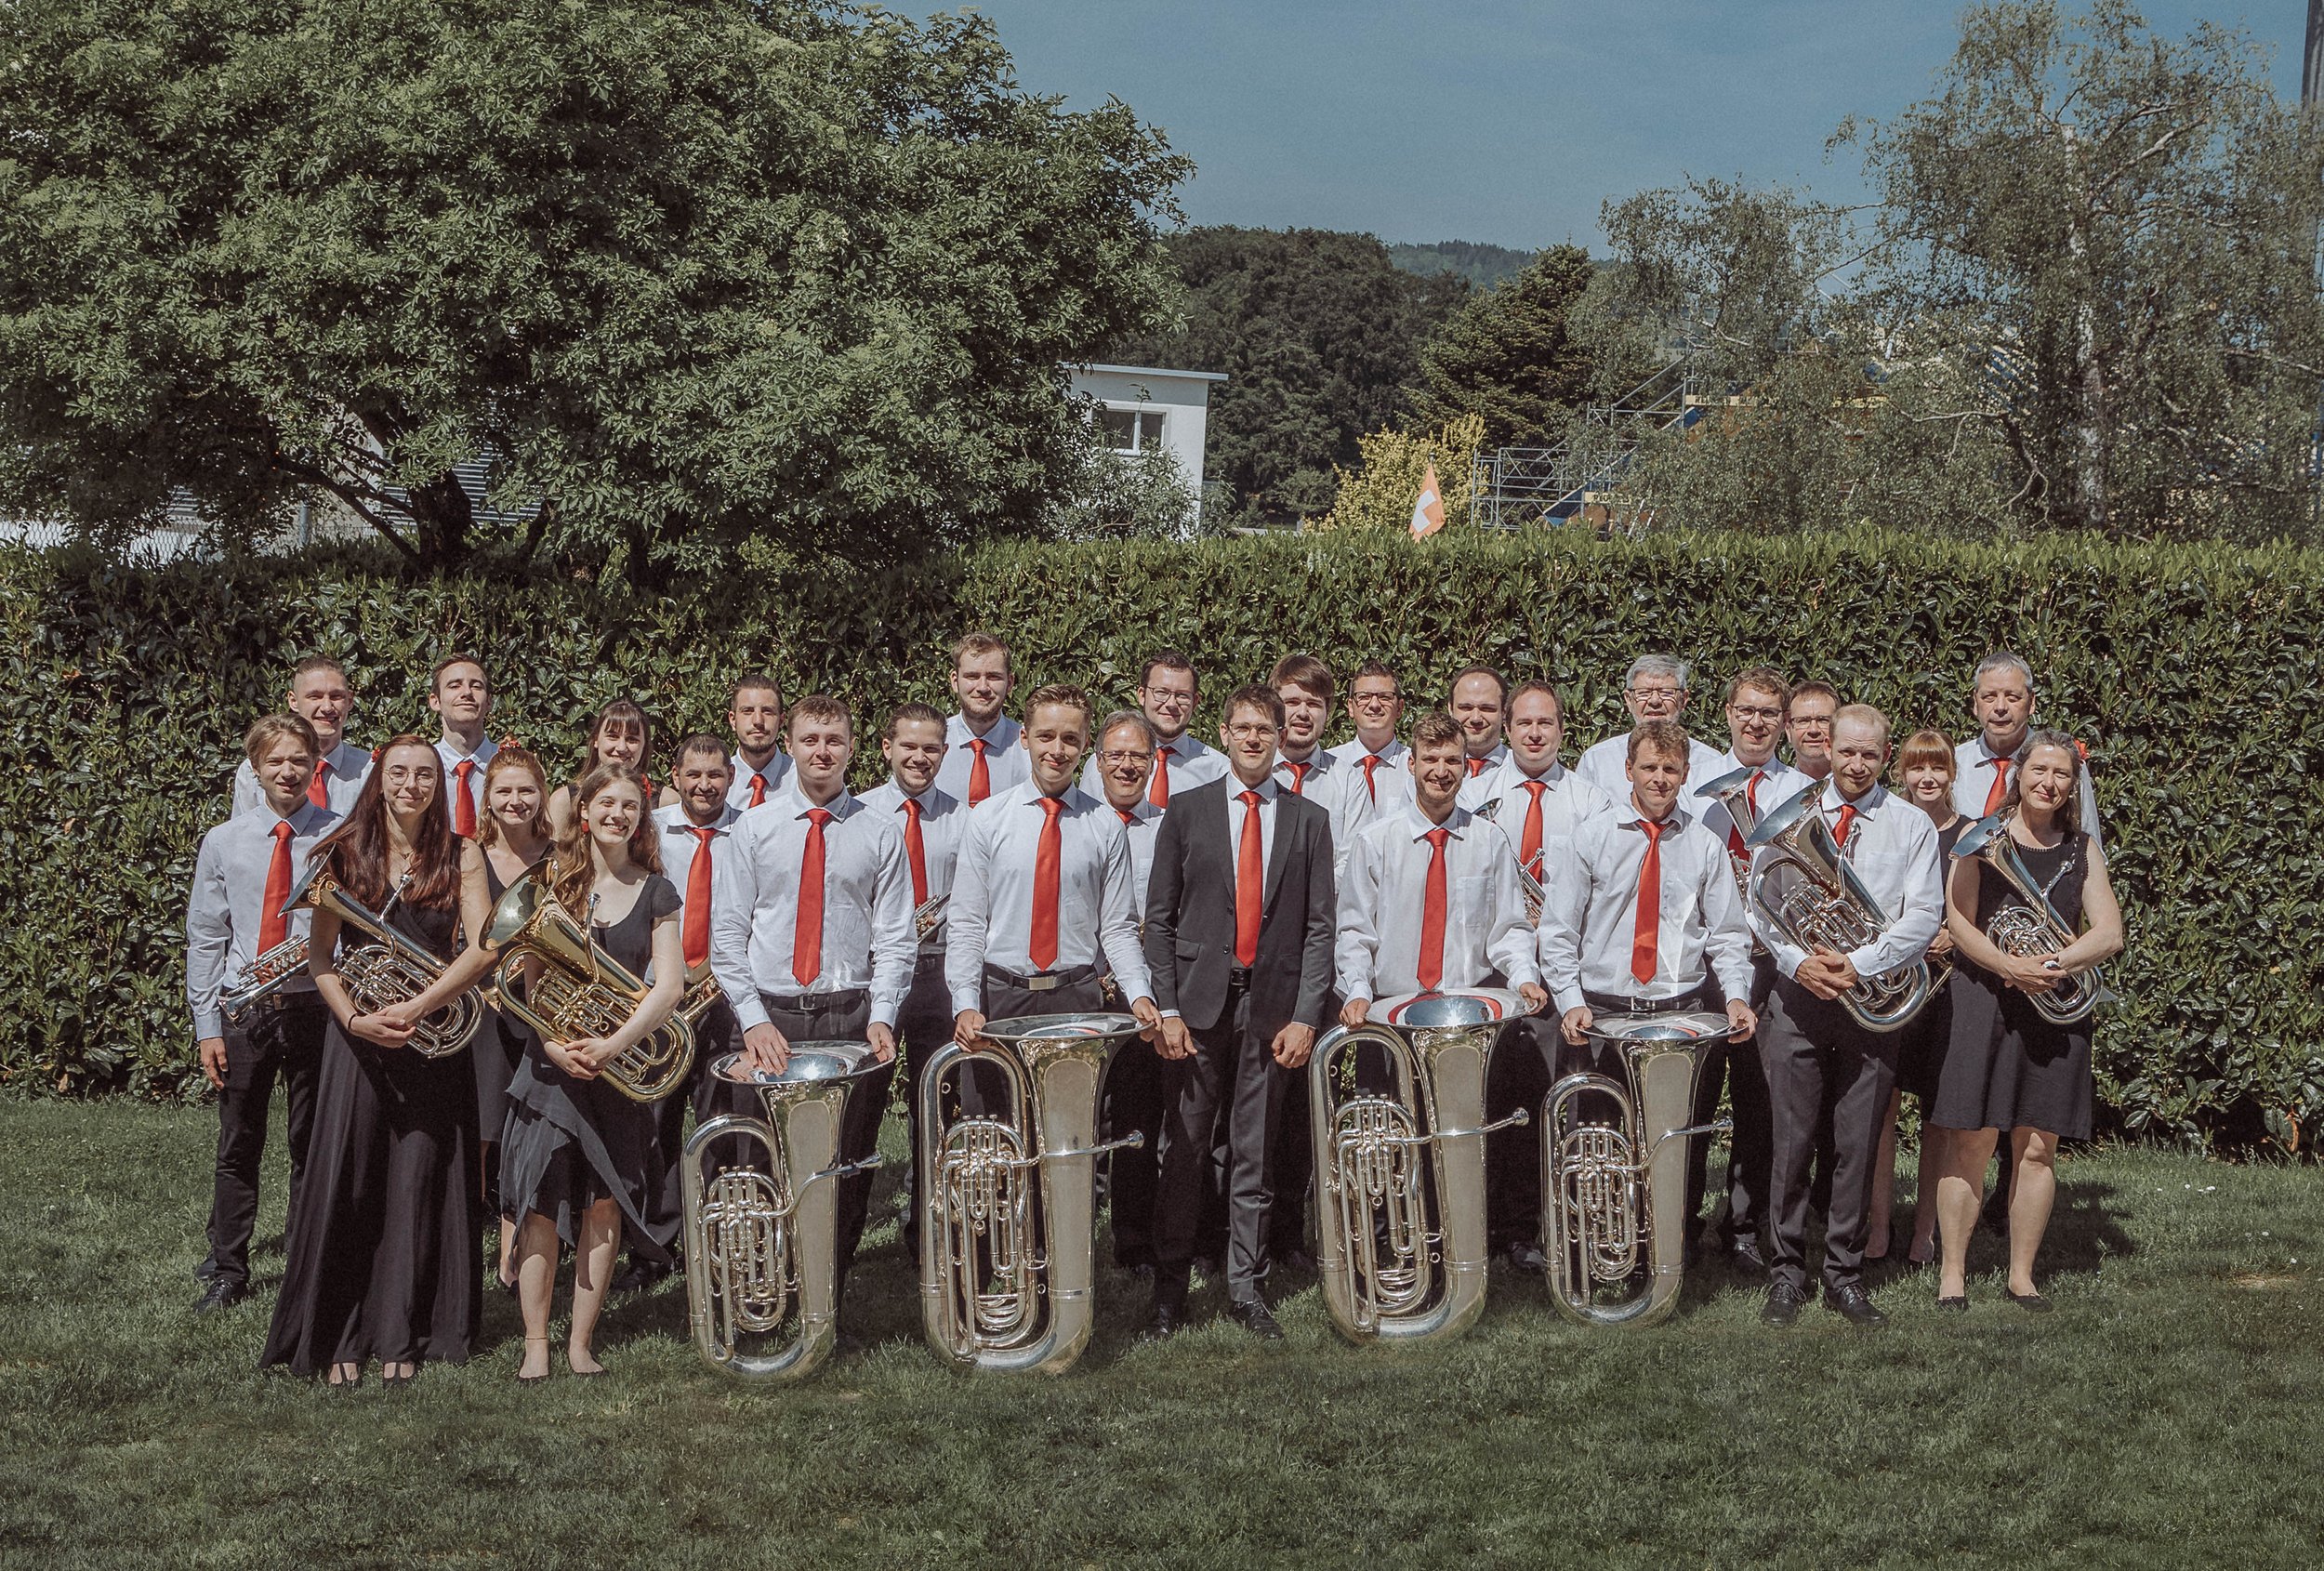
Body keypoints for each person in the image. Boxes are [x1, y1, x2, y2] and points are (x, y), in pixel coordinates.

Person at [259, 736, 498, 1385]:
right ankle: (340, 1333)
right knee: (354, 1180)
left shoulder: (462, 854)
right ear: (380, 781)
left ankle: (403, 1333)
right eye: (400, 773)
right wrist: (356, 1019)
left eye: (425, 774)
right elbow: (321, 960)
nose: (413, 784)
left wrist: (418, 1006)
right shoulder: (345, 851)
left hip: (430, 1040)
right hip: (359, 1039)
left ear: (439, 785)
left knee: (419, 1181)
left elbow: (482, 951)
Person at [1141, 686, 1337, 1340]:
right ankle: (1170, 1288)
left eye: (1266, 729)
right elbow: (1159, 921)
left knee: (1254, 1149)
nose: (1254, 739)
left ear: (1282, 736)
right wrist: (1166, 1006)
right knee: (1187, 1148)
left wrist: (1307, 1015)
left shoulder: (1310, 820)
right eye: (1243, 728)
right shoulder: (1187, 811)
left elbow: (1319, 929)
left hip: (1271, 1007)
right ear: (1224, 733)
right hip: (1195, 1007)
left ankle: (1246, 1287)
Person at [707, 696, 914, 1299]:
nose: (822, 751)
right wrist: (750, 1021)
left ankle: (828, 1294)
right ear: (790, 746)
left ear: (851, 748)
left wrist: (882, 1016)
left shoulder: (880, 833)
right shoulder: (754, 827)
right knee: (760, 1158)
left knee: (847, 1163)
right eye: (810, 739)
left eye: (834, 740)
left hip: (849, 1014)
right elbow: (727, 938)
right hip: (770, 1017)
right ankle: (766, 1289)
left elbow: (897, 938)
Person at [1748, 705, 1942, 1329]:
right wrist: (1799, 961)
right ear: (1828, 747)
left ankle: (1844, 1275)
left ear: (1886, 758)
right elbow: (1759, 903)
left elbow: (1923, 915)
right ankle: (1785, 1274)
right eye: (1848, 751)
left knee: (1857, 1144)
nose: (1857, 764)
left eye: (1870, 754)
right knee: (1792, 1139)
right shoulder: (1791, 814)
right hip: (1799, 994)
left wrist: (1857, 962)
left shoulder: (1909, 824)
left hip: (1871, 997)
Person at [496, 763, 685, 1379]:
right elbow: (528, 984)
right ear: (585, 811)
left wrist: (614, 1044)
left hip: (614, 1070)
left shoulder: (656, 890)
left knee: (603, 1208)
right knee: (543, 1207)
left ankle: (580, 1342)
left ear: (641, 818)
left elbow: (669, 987)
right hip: (550, 1071)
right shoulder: (553, 882)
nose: (617, 815)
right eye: (606, 803)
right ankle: (534, 1344)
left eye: (629, 806)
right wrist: (554, 1045)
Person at [1930, 731, 2122, 1313]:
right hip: (1984, 998)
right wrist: (2010, 965)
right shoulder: (1979, 837)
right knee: (1971, 1139)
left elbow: (2109, 933)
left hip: (2052, 1006)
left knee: (2038, 1146)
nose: (2049, 782)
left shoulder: (2081, 848)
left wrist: (2051, 964)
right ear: (2021, 774)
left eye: (2060, 774)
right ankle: (1954, 1275)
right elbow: (1957, 921)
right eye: (2039, 769)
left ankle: (2021, 1276)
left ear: (2072, 784)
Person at [187, 713, 337, 1313]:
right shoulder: (224, 841)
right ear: (255, 768)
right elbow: (205, 935)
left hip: (314, 1006)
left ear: (314, 766)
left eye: (298, 760)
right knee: (239, 1143)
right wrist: (207, 1026)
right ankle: (229, 1268)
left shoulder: (339, 834)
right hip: (245, 1010)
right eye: (275, 761)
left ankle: (305, 1265)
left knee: (311, 1142)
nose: (287, 771)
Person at [1466, 679, 1611, 1268]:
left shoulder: (1589, 801)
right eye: (1523, 723)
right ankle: (1478, 1226)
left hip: (1554, 978)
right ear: (1507, 727)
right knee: (1482, 1103)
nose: (1533, 733)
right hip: (1485, 970)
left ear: (1560, 729)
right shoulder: (1475, 793)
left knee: (1545, 1105)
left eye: (1544, 724)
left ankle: (1530, 1229)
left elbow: (1603, 893)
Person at [947, 683, 1161, 1036]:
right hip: (1000, 996)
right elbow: (967, 922)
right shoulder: (987, 818)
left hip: (1077, 997)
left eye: (1070, 739)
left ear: (1085, 744)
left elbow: (1117, 926)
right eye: (1046, 736)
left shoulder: (1105, 826)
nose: (1057, 750)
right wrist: (966, 1003)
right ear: (1024, 737)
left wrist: (1139, 992)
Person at [1688, 666, 1812, 1272]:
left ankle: (1742, 1226)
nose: (1757, 721)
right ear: (1729, 713)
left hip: (1774, 963)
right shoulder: (1696, 787)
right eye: (1747, 710)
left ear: (1783, 723)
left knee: (1760, 1104)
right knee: (1695, 1100)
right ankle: (1681, 1223)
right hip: (1707, 965)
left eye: (1769, 712)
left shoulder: (1802, 790)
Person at [1335, 711, 1545, 1046]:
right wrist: (1357, 989)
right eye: (1430, 759)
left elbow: (1510, 928)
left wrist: (1523, 977)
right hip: (1389, 1014)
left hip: (1467, 1016)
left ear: (1465, 765)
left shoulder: (1490, 841)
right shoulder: (1374, 842)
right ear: (1411, 763)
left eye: (1452, 761)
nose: (1441, 771)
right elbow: (1355, 931)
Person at [1263, 653, 1375, 1268]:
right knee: (1255, 1105)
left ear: (1330, 714)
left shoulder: (1347, 778)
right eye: (1292, 700)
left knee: (1309, 1104)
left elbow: (1348, 863)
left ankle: (1292, 1234)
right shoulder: (1255, 765)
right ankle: (1236, 1233)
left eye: (1314, 703)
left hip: (1319, 957)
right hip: (1261, 958)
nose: (1301, 712)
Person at [627, 733, 741, 1291]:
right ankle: (653, 1248)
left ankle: (723, 1243)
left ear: (731, 778)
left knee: (723, 1121)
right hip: (657, 995)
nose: (704, 785)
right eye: (693, 775)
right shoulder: (647, 830)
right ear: (675, 775)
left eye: (715, 775)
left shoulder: (751, 832)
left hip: (726, 998)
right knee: (654, 1127)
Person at [858, 703, 965, 1255]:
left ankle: (928, 1229)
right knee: (861, 1104)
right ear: (887, 749)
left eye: (931, 749)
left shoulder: (965, 816)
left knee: (939, 1102)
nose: (920, 757)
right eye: (909, 746)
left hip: (943, 971)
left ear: (945, 753)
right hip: (877, 973)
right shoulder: (861, 814)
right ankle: (842, 1233)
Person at [1869, 730, 1964, 1270]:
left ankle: (1924, 1230)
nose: (1926, 779)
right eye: (1915, 768)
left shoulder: (1972, 834)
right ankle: (1879, 1224)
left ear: (1952, 774)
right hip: (1892, 984)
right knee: (1882, 1110)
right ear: (1901, 772)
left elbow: (1984, 908)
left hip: (1948, 991)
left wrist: (1953, 930)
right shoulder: (1891, 826)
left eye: (1938, 769)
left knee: (1937, 1117)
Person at [473, 745, 554, 1293]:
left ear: (542, 796)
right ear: (488, 799)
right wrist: (486, 989)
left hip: (544, 1010)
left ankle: (513, 1250)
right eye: (504, 790)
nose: (515, 800)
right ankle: (464, 1236)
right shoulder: (470, 856)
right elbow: (472, 938)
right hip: (485, 1009)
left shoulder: (561, 853)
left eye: (527, 790)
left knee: (526, 1129)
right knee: (484, 1132)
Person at [1089, 708, 1166, 1273]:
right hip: (1083, 991)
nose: (1126, 765)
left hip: (1141, 994)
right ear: (1098, 762)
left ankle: (1133, 1242)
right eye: (1116, 755)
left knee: (1139, 1121)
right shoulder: (1081, 823)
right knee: (1079, 1119)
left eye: (1137, 755)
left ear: (1153, 761)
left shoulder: (1170, 826)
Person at [1950, 651, 2104, 844]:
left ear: (2031, 702)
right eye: (1989, 697)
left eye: (2012, 697)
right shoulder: (1951, 763)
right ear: (1975, 702)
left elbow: (2090, 846)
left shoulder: (2065, 763)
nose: (2000, 707)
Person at [1080, 651, 1225, 805]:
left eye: (1182, 695)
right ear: (1142, 695)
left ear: (1195, 702)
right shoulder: (1104, 763)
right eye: (1161, 692)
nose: (1171, 704)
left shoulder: (1217, 770)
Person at [231, 657, 370, 816]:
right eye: (315, 697)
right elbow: (243, 834)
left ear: (350, 701)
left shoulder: (370, 771)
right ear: (293, 701)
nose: (327, 707)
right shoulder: (255, 770)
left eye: (336, 696)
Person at [1574, 655, 1727, 797]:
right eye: (1644, 692)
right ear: (1629, 699)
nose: (1654, 701)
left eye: (1666, 692)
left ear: (1683, 699)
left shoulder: (1711, 763)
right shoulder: (1597, 761)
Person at [548, 699, 677, 834]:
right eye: (612, 736)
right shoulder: (564, 801)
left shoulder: (666, 802)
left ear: (644, 745)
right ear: (596, 740)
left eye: (632, 739)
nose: (621, 747)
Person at [935, 632, 1028, 807]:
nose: (983, 687)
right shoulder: (933, 743)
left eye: (994, 677)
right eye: (972, 676)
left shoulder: (1028, 748)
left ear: (1009, 683)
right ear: (955, 682)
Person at [428, 654, 496, 837]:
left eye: (476, 685)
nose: (466, 692)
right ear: (435, 701)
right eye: (454, 685)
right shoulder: (421, 768)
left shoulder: (510, 765)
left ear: (489, 702)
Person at [1327, 660, 1411, 809]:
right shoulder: (1328, 765)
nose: (1374, 705)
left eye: (1385, 697)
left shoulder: (1415, 768)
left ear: (1399, 708)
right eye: (1364, 696)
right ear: (1351, 707)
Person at [726, 673, 790, 811]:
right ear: (733, 720)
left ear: (781, 720)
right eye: (747, 711)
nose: (758, 721)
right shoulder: (717, 782)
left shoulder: (802, 780)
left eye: (767, 711)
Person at [1447, 665, 1511, 788]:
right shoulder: (1429, 773)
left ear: (1504, 712)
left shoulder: (1522, 771)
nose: (1476, 718)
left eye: (1487, 708)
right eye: (1466, 708)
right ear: (1450, 709)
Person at [1784, 680, 1840, 783]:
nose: (1813, 730)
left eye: (1823, 720)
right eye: (1803, 721)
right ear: (1788, 730)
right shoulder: (1772, 792)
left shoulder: (1857, 793)